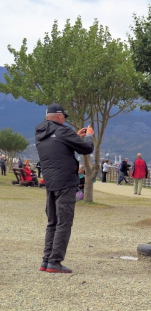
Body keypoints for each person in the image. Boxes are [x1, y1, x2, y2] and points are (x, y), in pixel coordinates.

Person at [35, 103, 94, 273]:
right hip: (66, 182)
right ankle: (55, 262)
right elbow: (88, 148)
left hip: (51, 182)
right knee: (64, 222)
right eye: (64, 117)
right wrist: (88, 136)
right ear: (60, 116)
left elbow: (58, 148)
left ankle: (46, 261)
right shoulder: (63, 131)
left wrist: (74, 136)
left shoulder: (40, 133)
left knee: (52, 222)